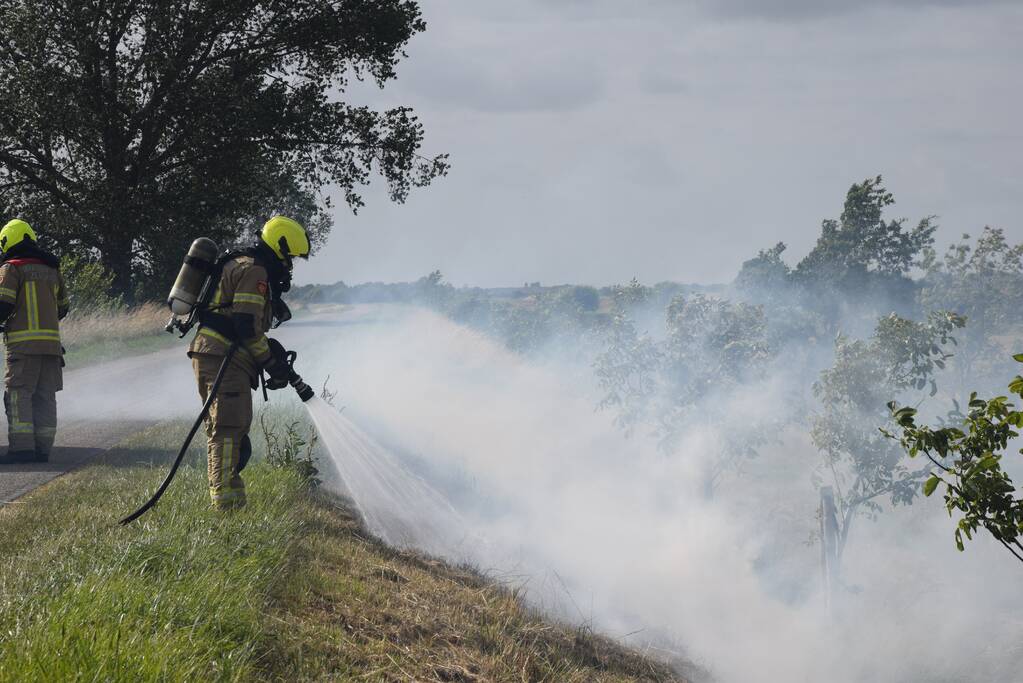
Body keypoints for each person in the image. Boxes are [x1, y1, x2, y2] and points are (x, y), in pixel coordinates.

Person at [188, 216, 309, 510]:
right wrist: (270, 361)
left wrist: (269, 354)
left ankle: (227, 500)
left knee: (230, 428)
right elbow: (245, 325)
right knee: (228, 429)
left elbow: (244, 322)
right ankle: (227, 508)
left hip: (219, 355)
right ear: (279, 247)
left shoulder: (246, 264)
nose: (290, 265)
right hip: (222, 357)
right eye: (289, 257)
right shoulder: (254, 270)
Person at [0, 219, 69, 464]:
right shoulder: (53, 268)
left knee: (19, 395)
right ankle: (42, 450)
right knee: (45, 397)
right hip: (51, 348)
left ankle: (21, 450)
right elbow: (63, 307)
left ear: (8, 241)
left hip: (23, 348)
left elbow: (3, 304)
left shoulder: (12, 268)